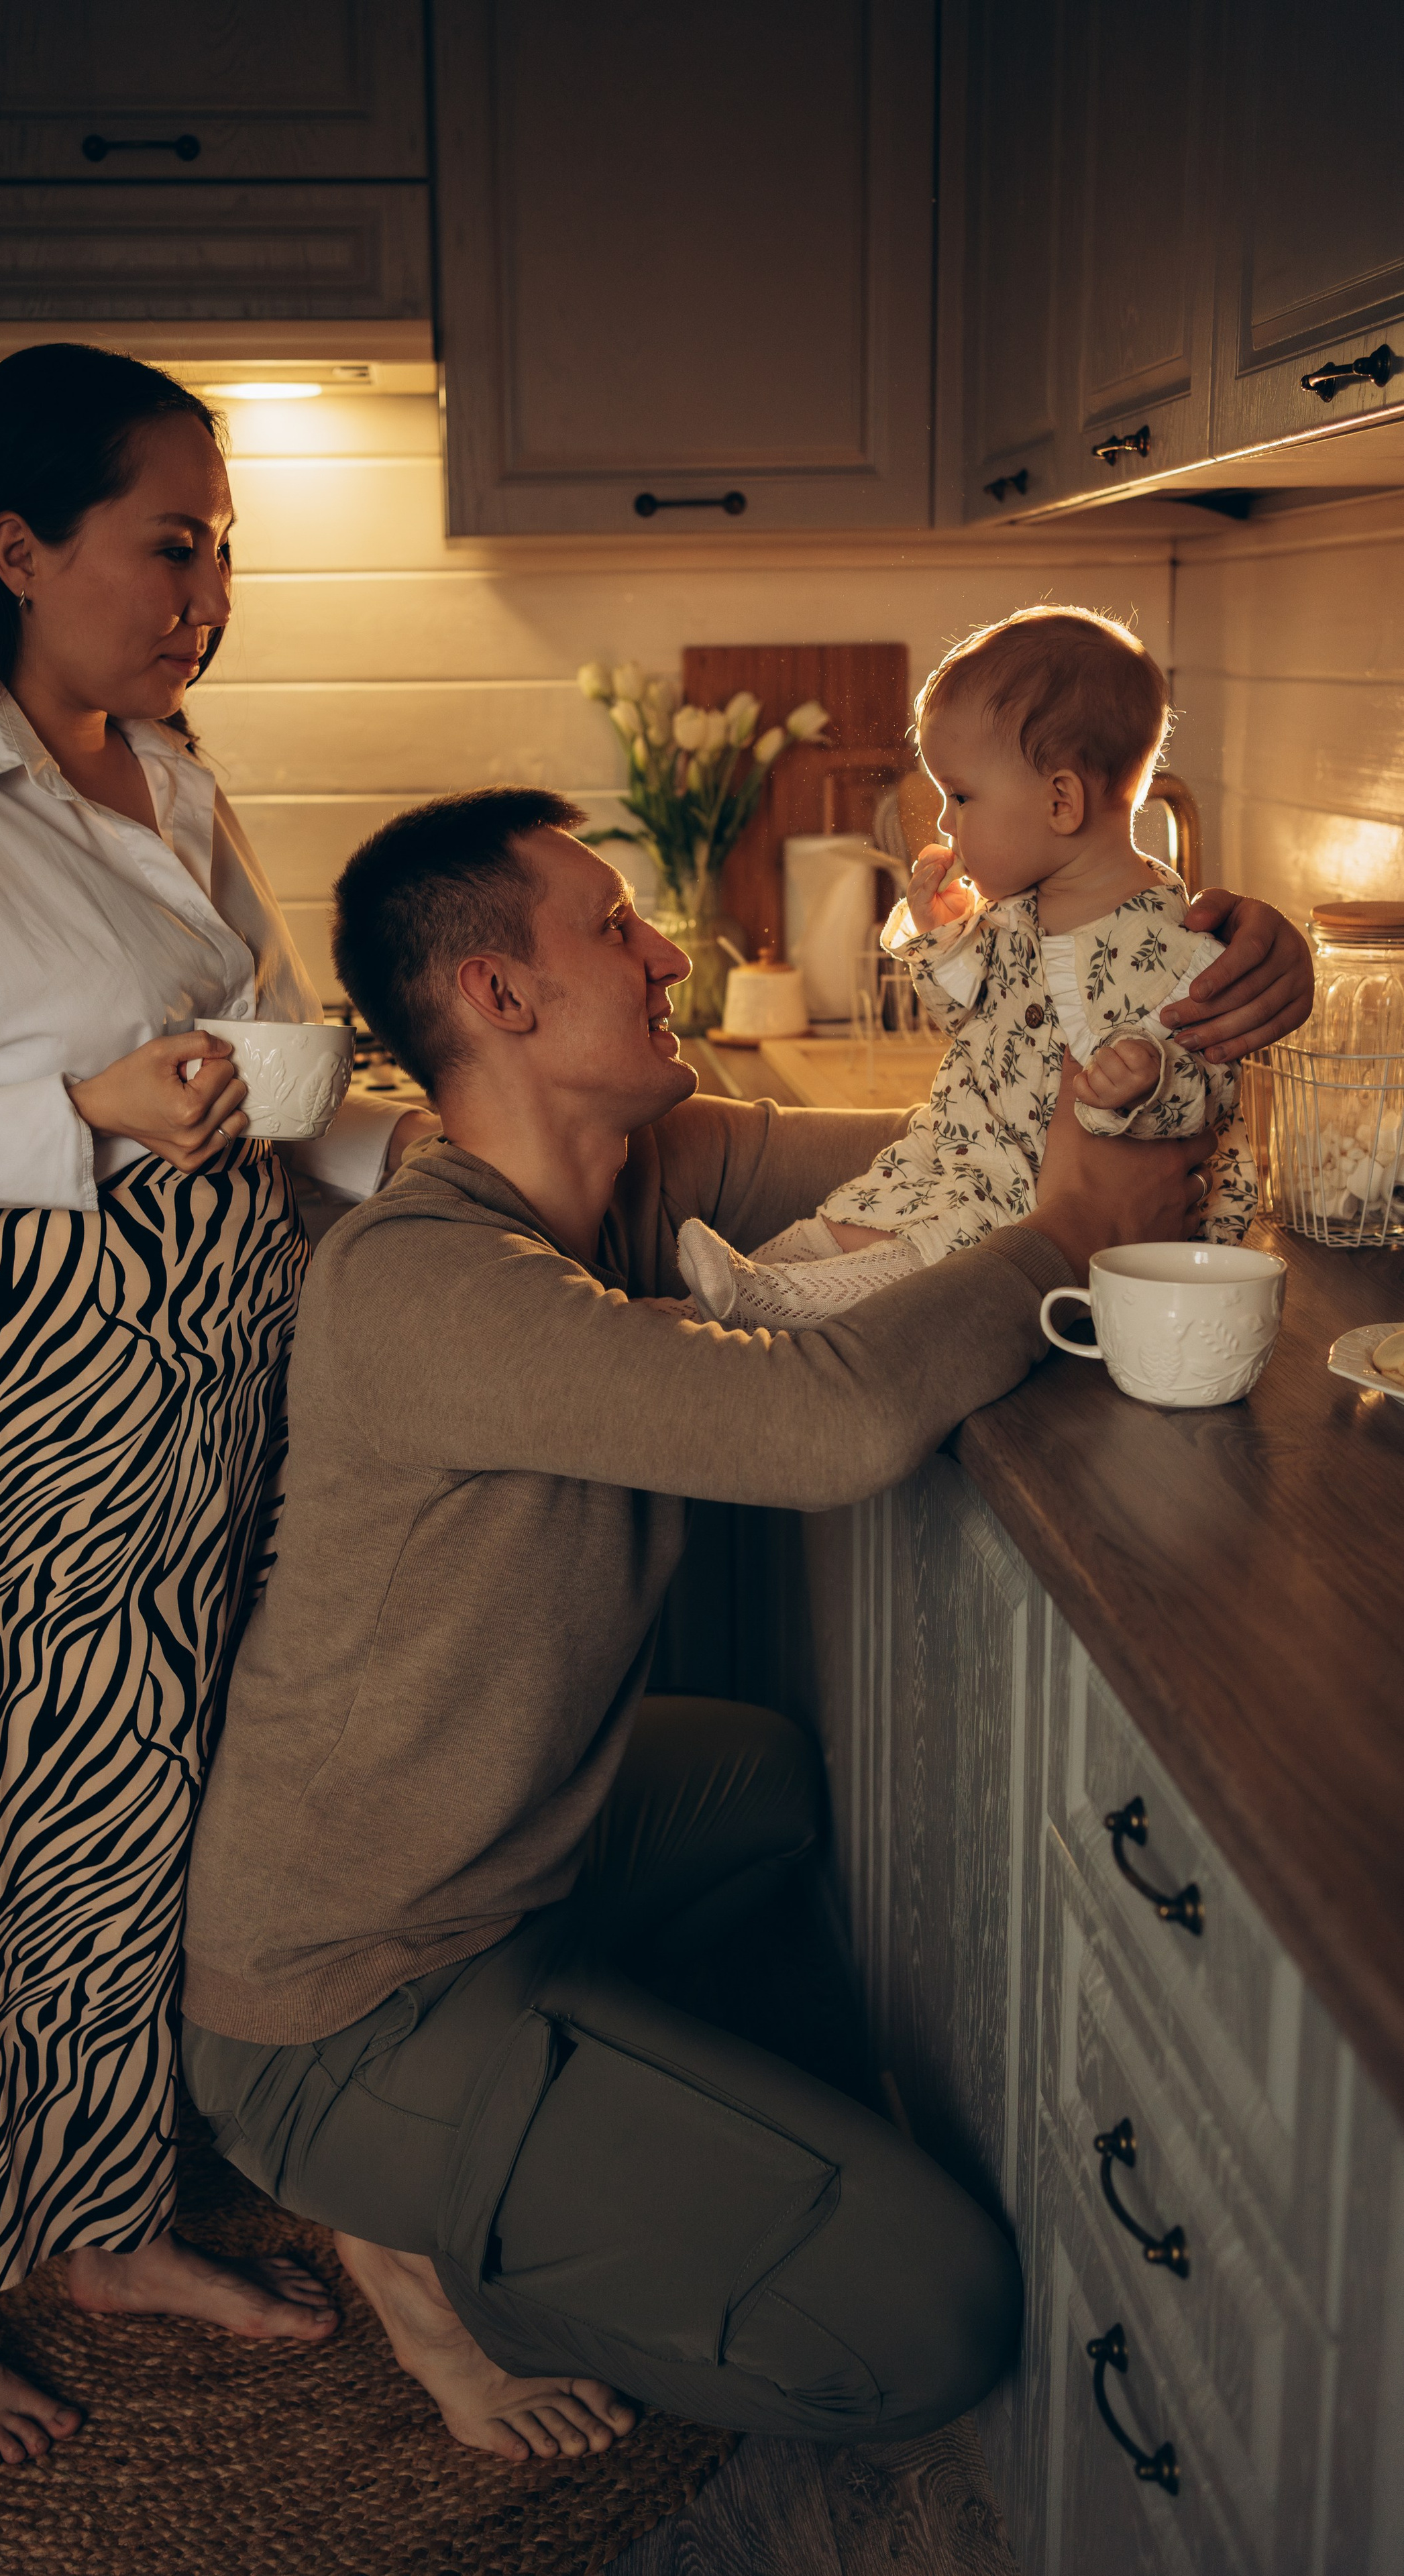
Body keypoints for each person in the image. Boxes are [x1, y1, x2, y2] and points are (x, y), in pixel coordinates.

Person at [179, 786, 1311, 2463]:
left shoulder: (634, 1180)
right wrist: (1069, 1236)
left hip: (496, 1876)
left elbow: (966, 1154)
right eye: (613, 927)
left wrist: (1193, 977)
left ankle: (554, 2117)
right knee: (930, 2319)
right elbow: (818, 1425)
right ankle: (430, 2256)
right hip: (342, 2006)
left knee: (760, 1781)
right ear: (498, 995)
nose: (665, 953)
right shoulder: (419, 1278)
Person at [0, 344, 433, 2473]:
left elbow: (273, 1078)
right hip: (34, 1388)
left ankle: (104, 2225)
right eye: (172, 544)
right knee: (7, 1839)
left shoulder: (172, 777)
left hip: (208, 1370)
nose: (210, 593)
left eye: (223, 549)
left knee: (154, 1817)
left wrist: (457, 1159)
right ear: (21, 551)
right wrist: (79, 1111)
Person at [678, 609, 1259, 1328]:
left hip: (1049, 1207)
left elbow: (1210, 1101)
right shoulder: (1011, 910)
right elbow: (965, 1017)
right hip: (963, 1153)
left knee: (921, 1263)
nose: (945, 824)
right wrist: (944, 938)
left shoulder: (1174, 945)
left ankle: (764, 1303)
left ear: (1061, 801)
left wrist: (1150, 1079)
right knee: (851, 1217)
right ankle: (713, 1307)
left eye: (959, 796)